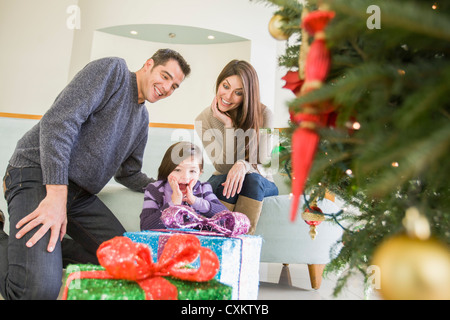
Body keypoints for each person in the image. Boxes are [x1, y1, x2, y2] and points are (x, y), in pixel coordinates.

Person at [0, 48, 191, 300]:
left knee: (131, 262)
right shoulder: (114, 72)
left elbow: (129, 173)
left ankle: (42, 255)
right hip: (36, 173)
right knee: (36, 291)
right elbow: (59, 121)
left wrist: (167, 185)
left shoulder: (142, 120)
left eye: (174, 86)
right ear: (148, 65)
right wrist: (56, 192)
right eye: (165, 76)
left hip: (79, 197)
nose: (167, 88)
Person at [195, 60, 278, 234]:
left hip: (260, 179)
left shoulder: (264, 114)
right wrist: (228, 125)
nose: (228, 96)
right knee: (229, 180)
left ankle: (242, 243)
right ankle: (217, 243)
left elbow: (264, 162)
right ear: (219, 83)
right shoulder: (203, 119)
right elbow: (223, 166)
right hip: (225, 176)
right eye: (225, 86)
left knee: (251, 180)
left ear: (247, 95)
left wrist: (243, 165)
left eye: (238, 92)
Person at [140, 141, 227, 230]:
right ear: (167, 170)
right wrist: (172, 204)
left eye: (192, 171)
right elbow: (145, 227)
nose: (185, 177)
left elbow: (227, 218)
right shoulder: (154, 190)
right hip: (165, 241)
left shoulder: (203, 189)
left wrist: (196, 201)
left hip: (197, 241)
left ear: (199, 173)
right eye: (177, 170)